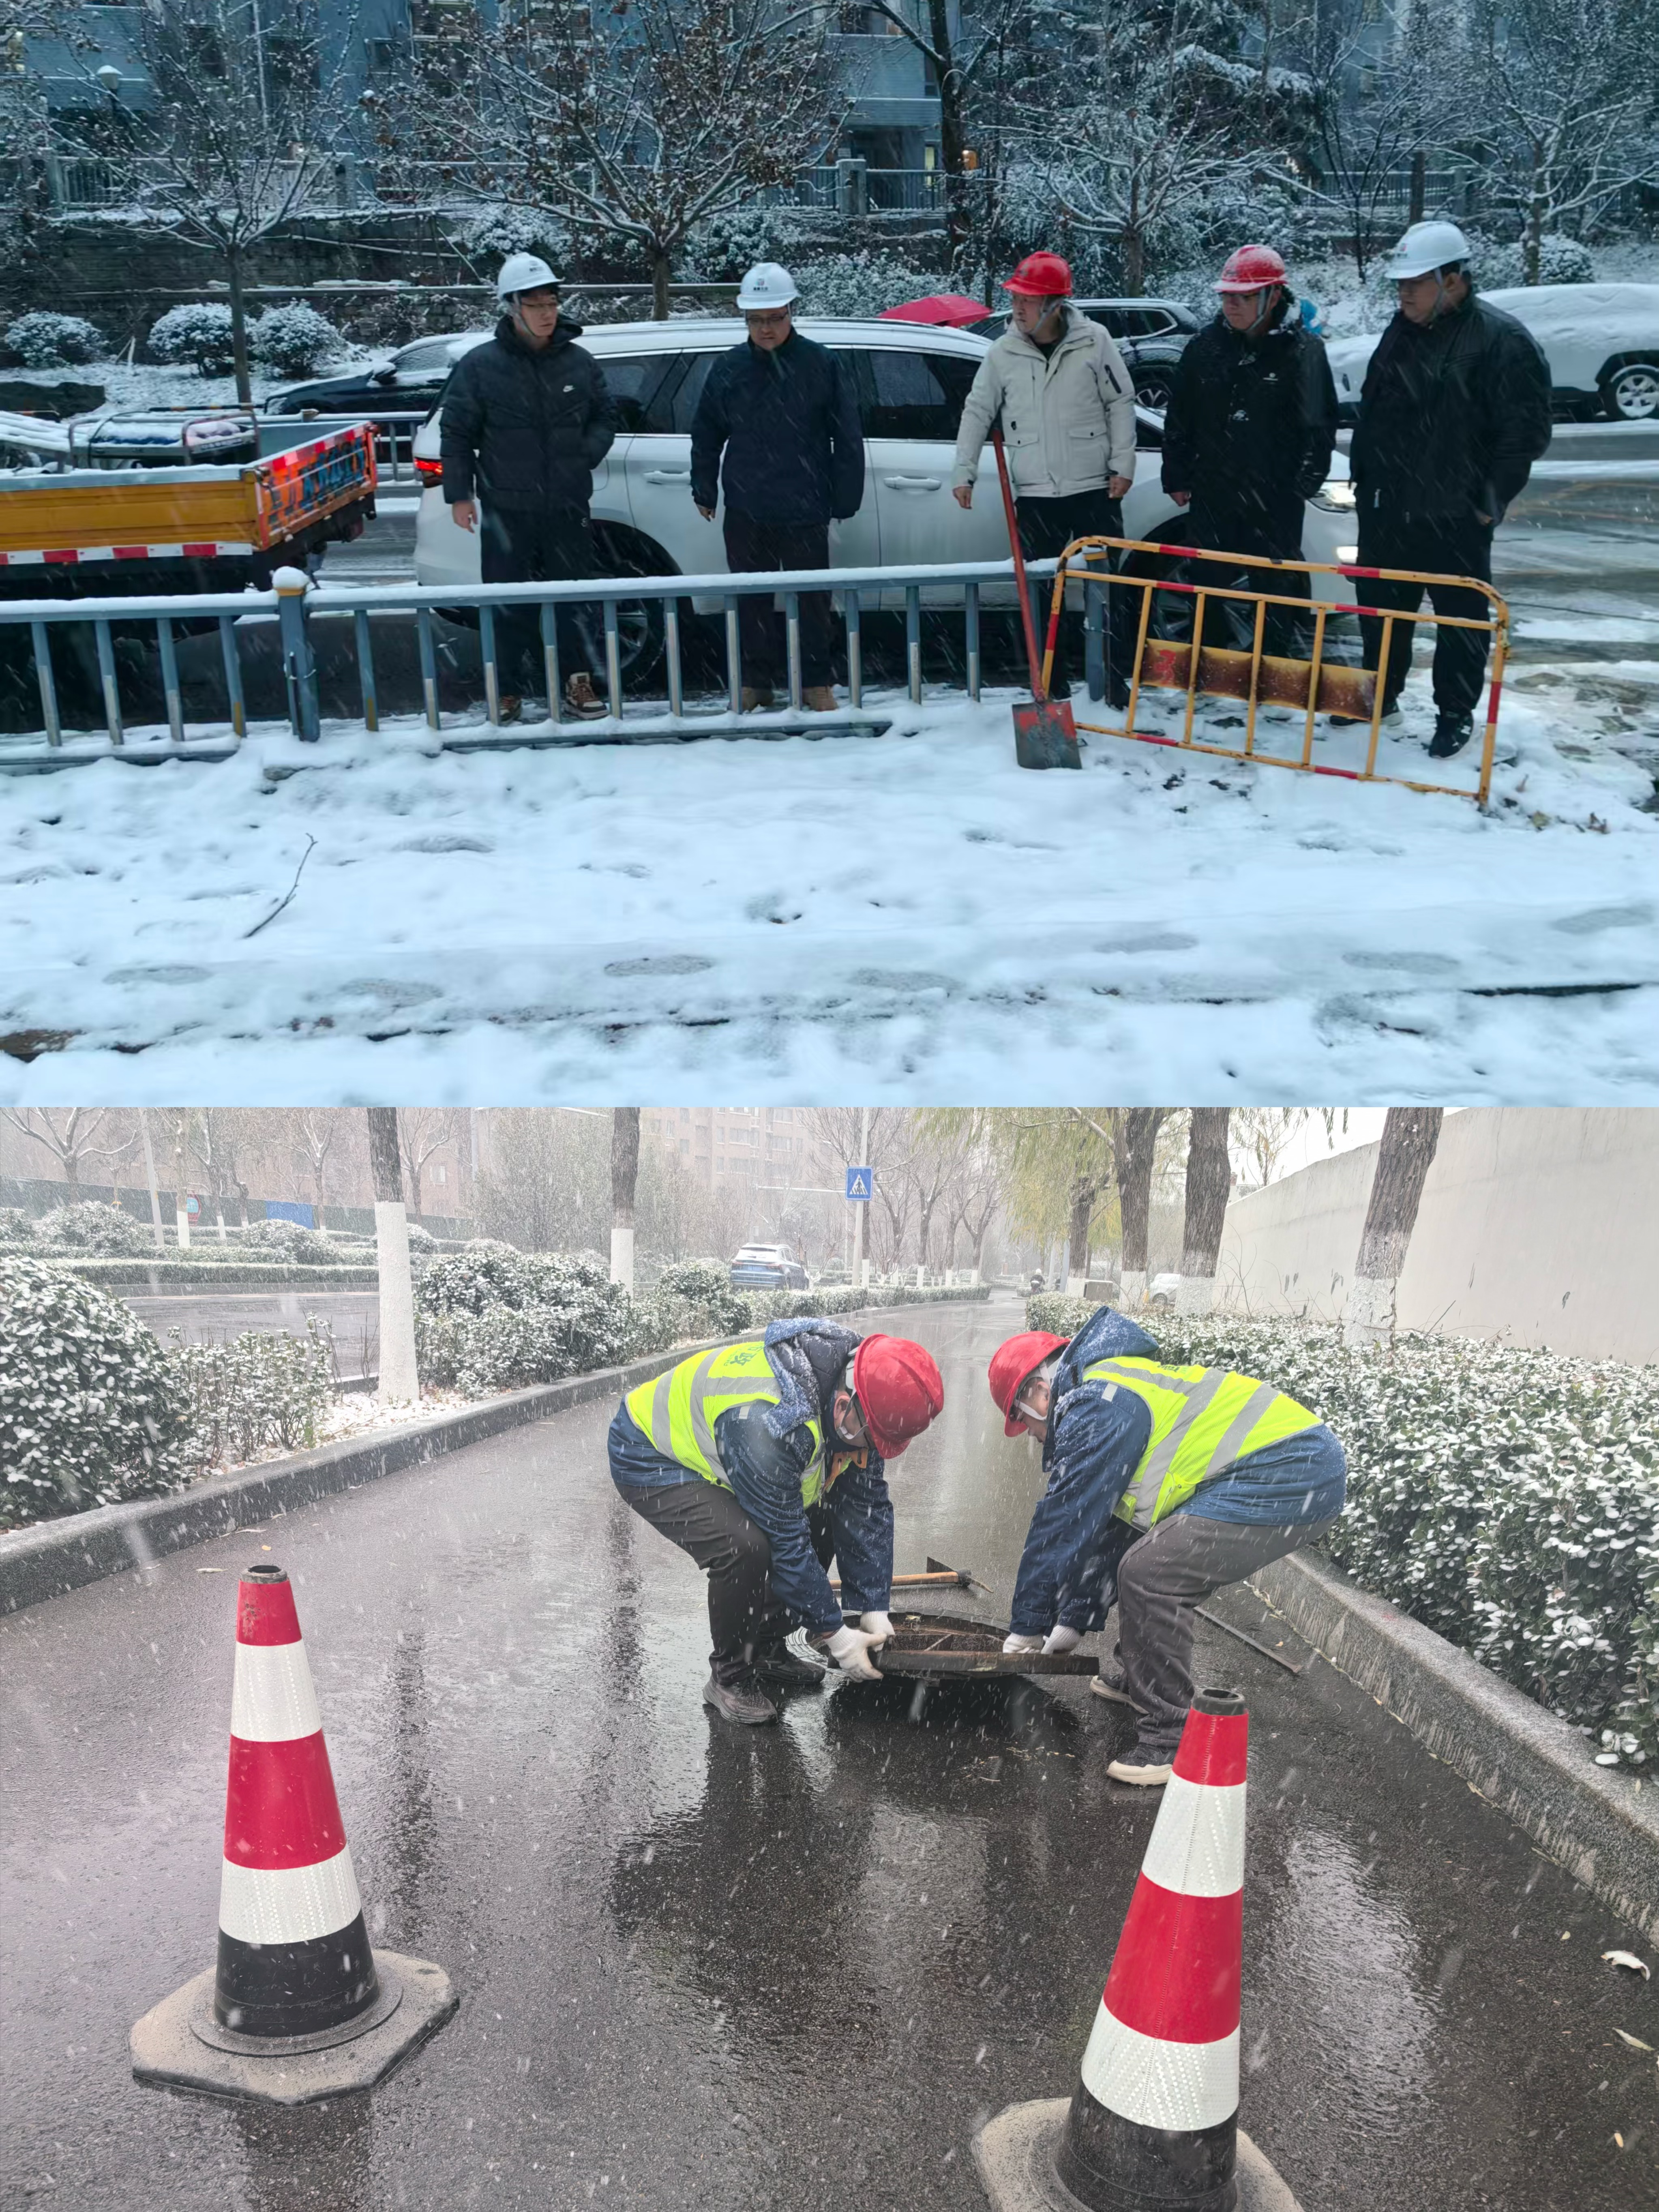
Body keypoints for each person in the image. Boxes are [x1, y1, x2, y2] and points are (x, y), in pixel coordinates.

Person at [987, 1305, 1346, 1787]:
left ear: (1038, 1391)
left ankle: (1172, 1737)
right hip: (1293, 1465)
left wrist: (1027, 1625)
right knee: (1145, 1558)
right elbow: (1114, 1530)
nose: (1031, 1434)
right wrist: (1072, 1618)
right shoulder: (1105, 1387)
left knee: (1153, 1573)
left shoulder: (1098, 1401)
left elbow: (1063, 1519)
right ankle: (1143, 1681)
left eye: (1023, 1420)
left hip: (1289, 1470)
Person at [608, 1320, 946, 1724]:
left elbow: (864, 1508)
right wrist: (837, 1636)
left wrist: (872, 1607)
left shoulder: (864, 1396)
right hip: (650, 1452)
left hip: (734, 1447)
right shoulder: (767, 1423)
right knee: (744, 1545)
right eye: (871, 1440)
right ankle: (730, 1677)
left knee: (822, 1518)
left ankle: (765, 1649)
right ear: (843, 1408)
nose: (872, 1452)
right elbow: (786, 1543)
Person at [1346, 220, 1552, 759]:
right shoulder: (1401, 331)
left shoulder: (1500, 341)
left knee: (1460, 624)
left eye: (1416, 281)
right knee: (1380, 614)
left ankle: (1454, 716)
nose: (1404, 291)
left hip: (1455, 515)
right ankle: (1378, 699)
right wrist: (1365, 479)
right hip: (1388, 511)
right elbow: (1375, 412)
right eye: (1400, 283)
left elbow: (1523, 435)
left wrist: (1486, 506)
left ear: (1454, 280)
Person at [952, 252, 1137, 703]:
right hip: (1036, 493)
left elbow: (1121, 400)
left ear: (1055, 305)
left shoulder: (1095, 341)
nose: (1017, 308)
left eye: (1028, 300)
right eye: (1015, 298)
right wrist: (965, 471)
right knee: (1040, 593)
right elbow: (977, 411)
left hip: (1095, 487)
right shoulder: (1003, 353)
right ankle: (1049, 682)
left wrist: (1123, 464)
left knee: (1109, 587)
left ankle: (1114, 680)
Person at [440, 252, 617, 722]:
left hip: (567, 504)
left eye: (551, 302)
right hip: (505, 506)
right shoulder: (481, 367)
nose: (546, 312)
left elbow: (606, 416)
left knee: (575, 598)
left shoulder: (579, 362)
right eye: (534, 303)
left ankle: (577, 683)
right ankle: (507, 690)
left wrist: (583, 456)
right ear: (511, 307)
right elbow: (457, 431)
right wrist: (460, 494)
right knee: (507, 603)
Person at [690, 263, 866, 713]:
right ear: (745, 319)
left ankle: (816, 682)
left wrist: (845, 497)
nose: (766, 328)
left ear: (792, 312)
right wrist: (704, 488)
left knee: (813, 601)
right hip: (747, 503)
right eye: (756, 319)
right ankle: (756, 682)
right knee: (752, 600)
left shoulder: (821, 363)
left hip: (806, 500)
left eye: (775, 317)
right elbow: (706, 433)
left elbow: (846, 435)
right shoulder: (729, 369)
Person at [1160, 244, 1337, 660]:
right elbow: (1179, 415)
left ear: (1273, 296)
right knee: (1208, 582)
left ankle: (1271, 668)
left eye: (1241, 297)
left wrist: (1301, 485)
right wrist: (1178, 473)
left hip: (1275, 497)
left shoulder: (1304, 352)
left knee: (1275, 586)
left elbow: (1321, 428)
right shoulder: (1206, 347)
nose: (1231, 306)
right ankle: (1210, 663)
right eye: (1226, 296)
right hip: (1214, 489)